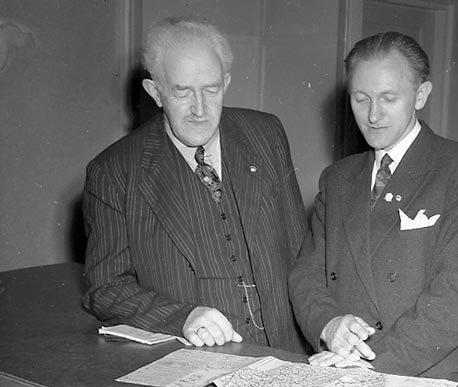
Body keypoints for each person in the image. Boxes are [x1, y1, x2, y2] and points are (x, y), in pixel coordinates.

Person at [82, 16, 310, 353]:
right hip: (200, 359)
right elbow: (105, 289)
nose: (200, 109)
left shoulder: (266, 134)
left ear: (226, 83)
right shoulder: (114, 171)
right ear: (155, 92)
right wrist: (181, 317)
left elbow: (301, 250)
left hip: (287, 352)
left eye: (211, 90)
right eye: (182, 92)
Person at [288, 32, 458, 381]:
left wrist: (372, 363)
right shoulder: (337, 178)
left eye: (388, 98)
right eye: (360, 99)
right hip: (337, 367)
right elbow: (306, 274)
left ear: (421, 95)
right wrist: (328, 324)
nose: (373, 115)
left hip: (418, 377)